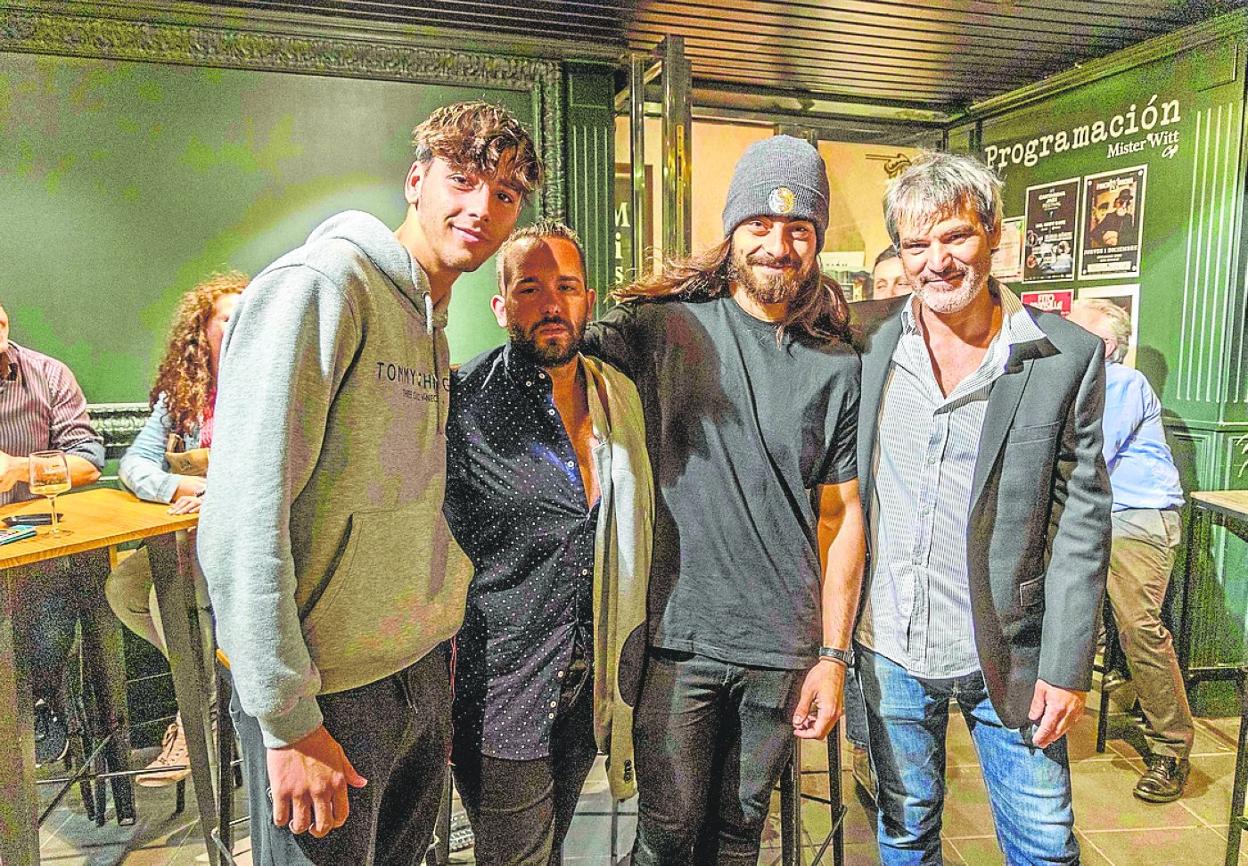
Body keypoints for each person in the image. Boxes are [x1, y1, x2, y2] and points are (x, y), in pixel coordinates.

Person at [197, 101, 541, 865]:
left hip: (415, 672)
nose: (482, 208)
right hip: (327, 692)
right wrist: (288, 721)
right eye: (463, 180)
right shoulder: (321, 285)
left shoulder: (429, 319)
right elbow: (243, 520)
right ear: (417, 181)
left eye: (505, 194)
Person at [584, 134, 865, 865]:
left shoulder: (838, 365)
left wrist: (833, 655)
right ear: (733, 230)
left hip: (783, 645)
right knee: (666, 838)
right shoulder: (664, 328)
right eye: (760, 225)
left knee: (740, 837)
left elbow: (842, 520)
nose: (778, 245)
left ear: (817, 242)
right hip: (679, 639)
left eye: (798, 228)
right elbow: (559, 360)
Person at [853, 151, 1111, 865]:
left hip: (1011, 649)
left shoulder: (1064, 355)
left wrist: (1068, 663)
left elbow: (1083, 520)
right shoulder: (863, 338)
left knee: (1045, 846)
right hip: (889, 644)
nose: (937, 261)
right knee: (905, 833)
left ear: (993, 233)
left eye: (955, 236)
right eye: (916, 245)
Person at [444, 221, 652, 864]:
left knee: (554, 845)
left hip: (590, 683)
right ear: (501, 306)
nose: (552, 304)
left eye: (567, 286)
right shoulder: (463, 405)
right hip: (503, 688)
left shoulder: (619, 397)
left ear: (588, 298)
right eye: (530, 289)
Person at [104, 272, 246, 786]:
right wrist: (179, 487)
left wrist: (221, 492)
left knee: (167, 597)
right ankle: (211, 691)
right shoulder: (181, 397)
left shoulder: (269, 382)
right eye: (227, 318)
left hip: (244, 541)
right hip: (189, 535)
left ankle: (196, 720)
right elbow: (134, 465)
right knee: (123, 587)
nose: (239, 324)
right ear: (200, 332)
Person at [1068, 298, 1192, 802]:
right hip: (1100, 517)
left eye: (1076, 333)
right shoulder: (1086, 384)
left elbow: (1091, 454)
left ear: (1105, 345)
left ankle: (1172, 747)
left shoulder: (1121, 382)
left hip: (1137, 516)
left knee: (1139, 627)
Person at [0, 303, 105, 765]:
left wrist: (17, 469)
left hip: (33, 542)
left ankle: (37, 703)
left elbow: (87, 461)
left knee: (49, 589)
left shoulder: (47, 375)